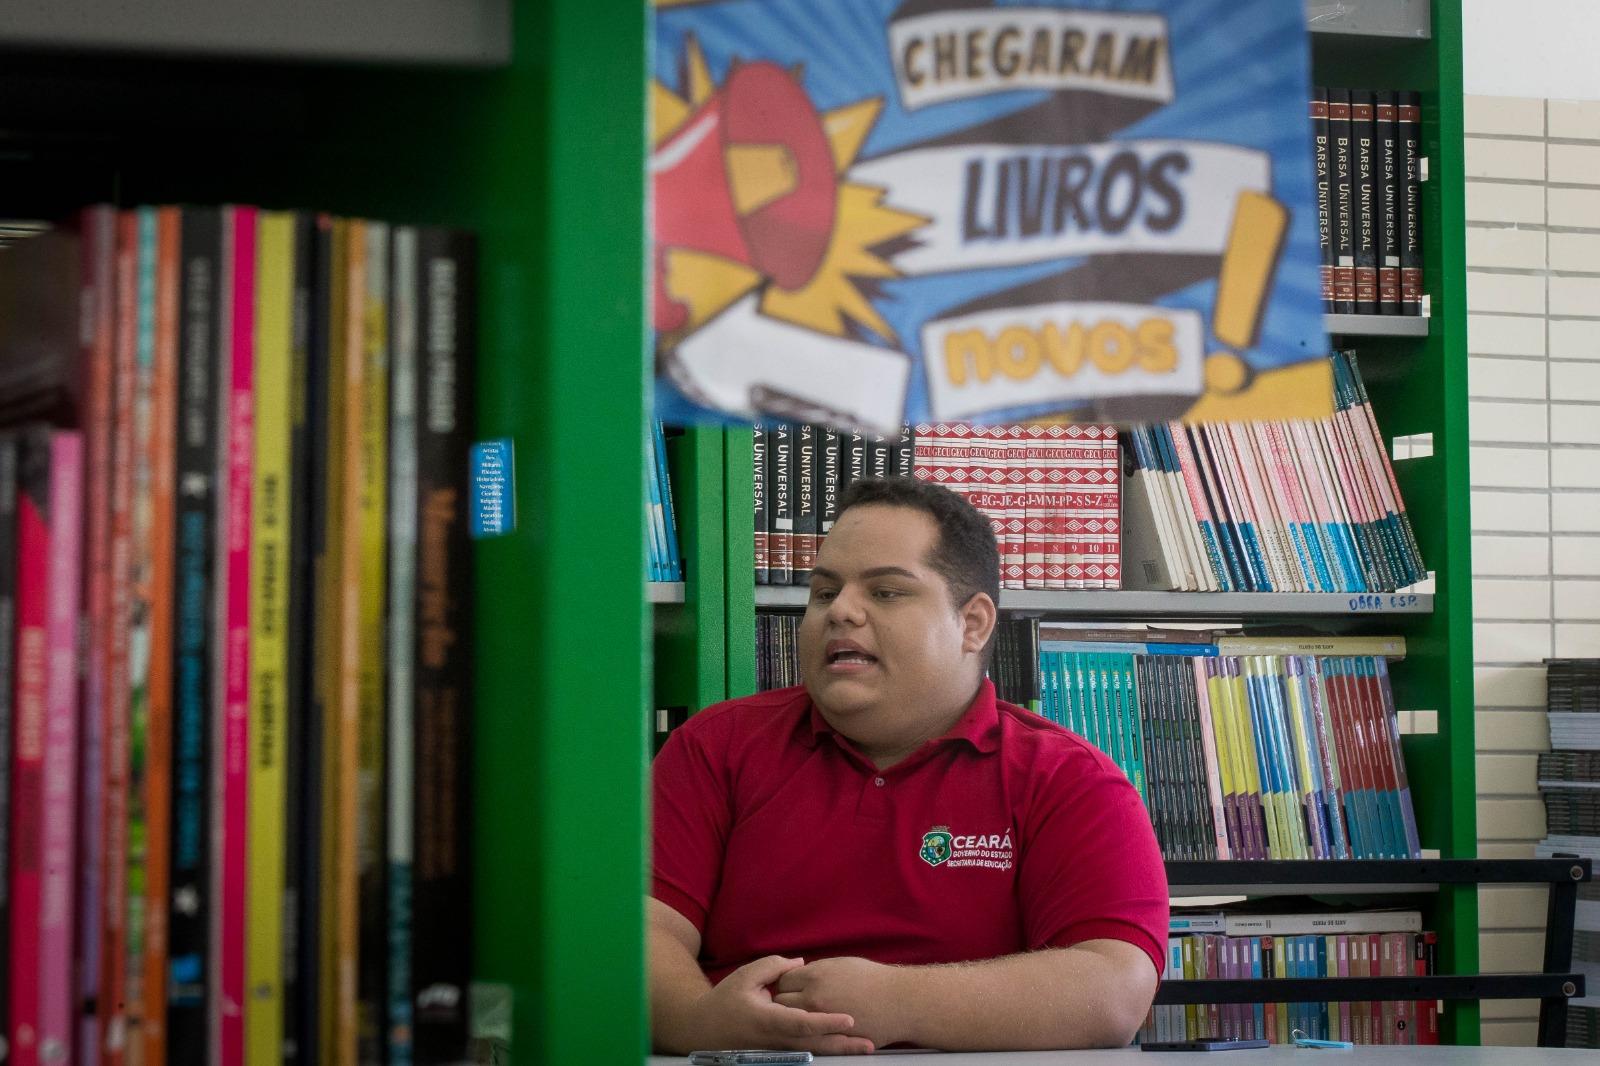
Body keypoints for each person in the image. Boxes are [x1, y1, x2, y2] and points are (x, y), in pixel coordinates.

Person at [649, 475, 1168, 1055]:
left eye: (886, 592)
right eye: (823, 592)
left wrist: (896, 1000)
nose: (841, 611)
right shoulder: (715, 747)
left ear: (973, 624)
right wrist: (697, 1021)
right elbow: (638, 929)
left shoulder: (1068, 780)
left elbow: (1114, 988)